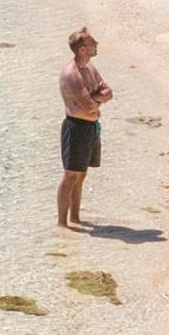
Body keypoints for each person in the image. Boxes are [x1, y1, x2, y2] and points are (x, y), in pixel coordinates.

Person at [56, 29, 110, 231]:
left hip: (91, 126)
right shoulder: (72, 74)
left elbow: (108, 91)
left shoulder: (89, 67)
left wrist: (95, 100)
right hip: (76, 128)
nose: (97, 43)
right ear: (83, 49)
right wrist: (95, 100)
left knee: (81, 174)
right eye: (92, 41)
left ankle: (76, 218)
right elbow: (88, 106)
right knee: (71, 175)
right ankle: (62, 224)